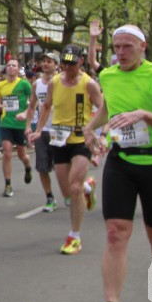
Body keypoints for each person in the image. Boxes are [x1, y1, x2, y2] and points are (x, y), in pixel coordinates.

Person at [84, 24, 152, 302]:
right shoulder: (109, 76)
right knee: (116, 233)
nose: (121, 53)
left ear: (143, 46)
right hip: (121, 161)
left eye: (127, 46)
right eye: (117, 47)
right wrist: (90, 127)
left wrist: (144, 115)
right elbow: (108, 108)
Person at [31, 44, 104, 254]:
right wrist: (38, 130)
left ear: (81, 62)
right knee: (67, 194)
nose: (68, 67)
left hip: (81, 140)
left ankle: (74, 236)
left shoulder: (89, 84)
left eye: (72, 63)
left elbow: (104, 109)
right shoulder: (55, 82)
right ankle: (88, 188)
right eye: (64, 63)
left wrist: (100, 134)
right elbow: (46, 106)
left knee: (74, 187)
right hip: (59, 139)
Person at [21, 52, 60, 212]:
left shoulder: (63, 81)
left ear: (56, 65)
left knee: (62, 167)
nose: (45, 64)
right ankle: (49, 197)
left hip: (60, 129)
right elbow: (32, 106)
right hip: (41, 130)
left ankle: (71, 191)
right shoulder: (37, 84)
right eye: (44, 61)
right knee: (42, 167)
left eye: (49, 61)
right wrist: (28, 125)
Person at [0, 59, 35, 198]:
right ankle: (8, 184)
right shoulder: (0, 85)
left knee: (22, 155)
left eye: (13, 65)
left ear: (18, 69)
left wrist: (25, 113)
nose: (10, 67)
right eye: (9, 65)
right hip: (6, 123)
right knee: (7, 153)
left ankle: (27, 167)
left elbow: (34, 102)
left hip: (20, 124)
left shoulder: (24, 84)